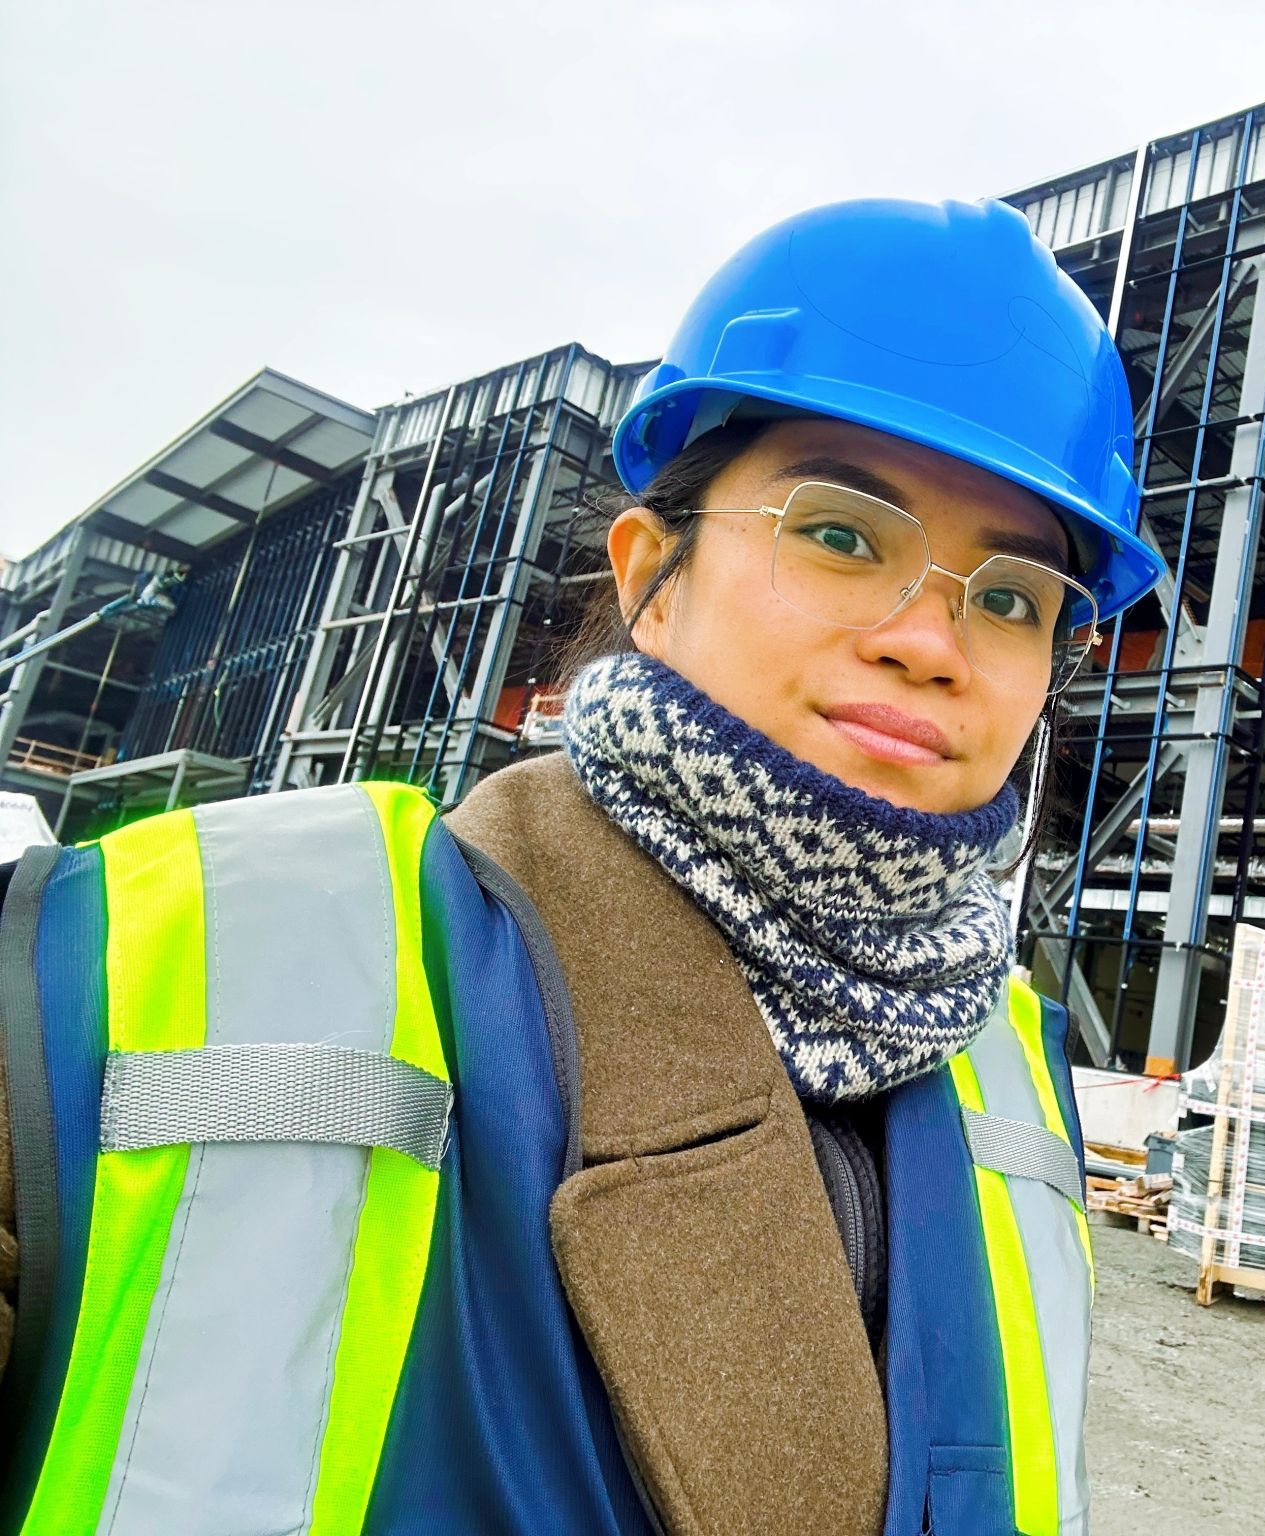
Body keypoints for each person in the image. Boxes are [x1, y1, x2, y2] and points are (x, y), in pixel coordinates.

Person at [0, 197, 1164, 1535]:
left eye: (1013, 596)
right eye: (843, 533)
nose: (932, 641)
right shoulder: (143, 966)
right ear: (649, 570)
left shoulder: (1015, 1069)